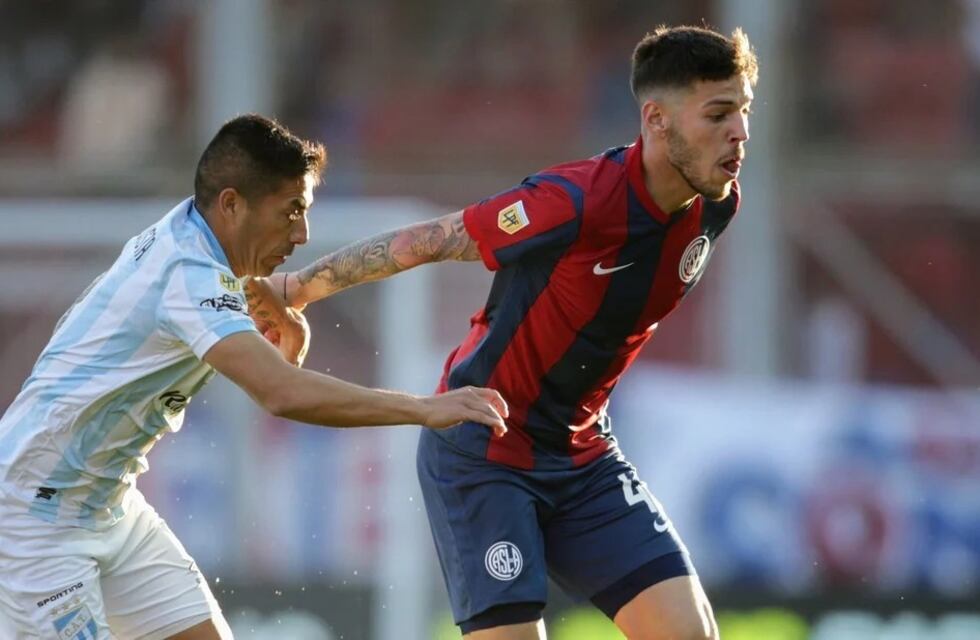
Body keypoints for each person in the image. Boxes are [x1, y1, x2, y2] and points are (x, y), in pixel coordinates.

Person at [262, 24, 756, 639]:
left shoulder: (717, 202)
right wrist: (300, 288)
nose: (739, 133)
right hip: (484, 450)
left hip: (583, 455)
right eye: (718, 114)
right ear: (655, 119)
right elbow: (429, 240)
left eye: (743, 111)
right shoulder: (577, 200)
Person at [0, 114, 508, 640]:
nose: (302, 232)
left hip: (108, 506)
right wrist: (424, 409)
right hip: (35, 519)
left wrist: (281, 314)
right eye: (290, 211)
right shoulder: (188, 273)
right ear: (231, 205)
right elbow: (281, 393)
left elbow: (263, 335)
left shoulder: (196, 243)